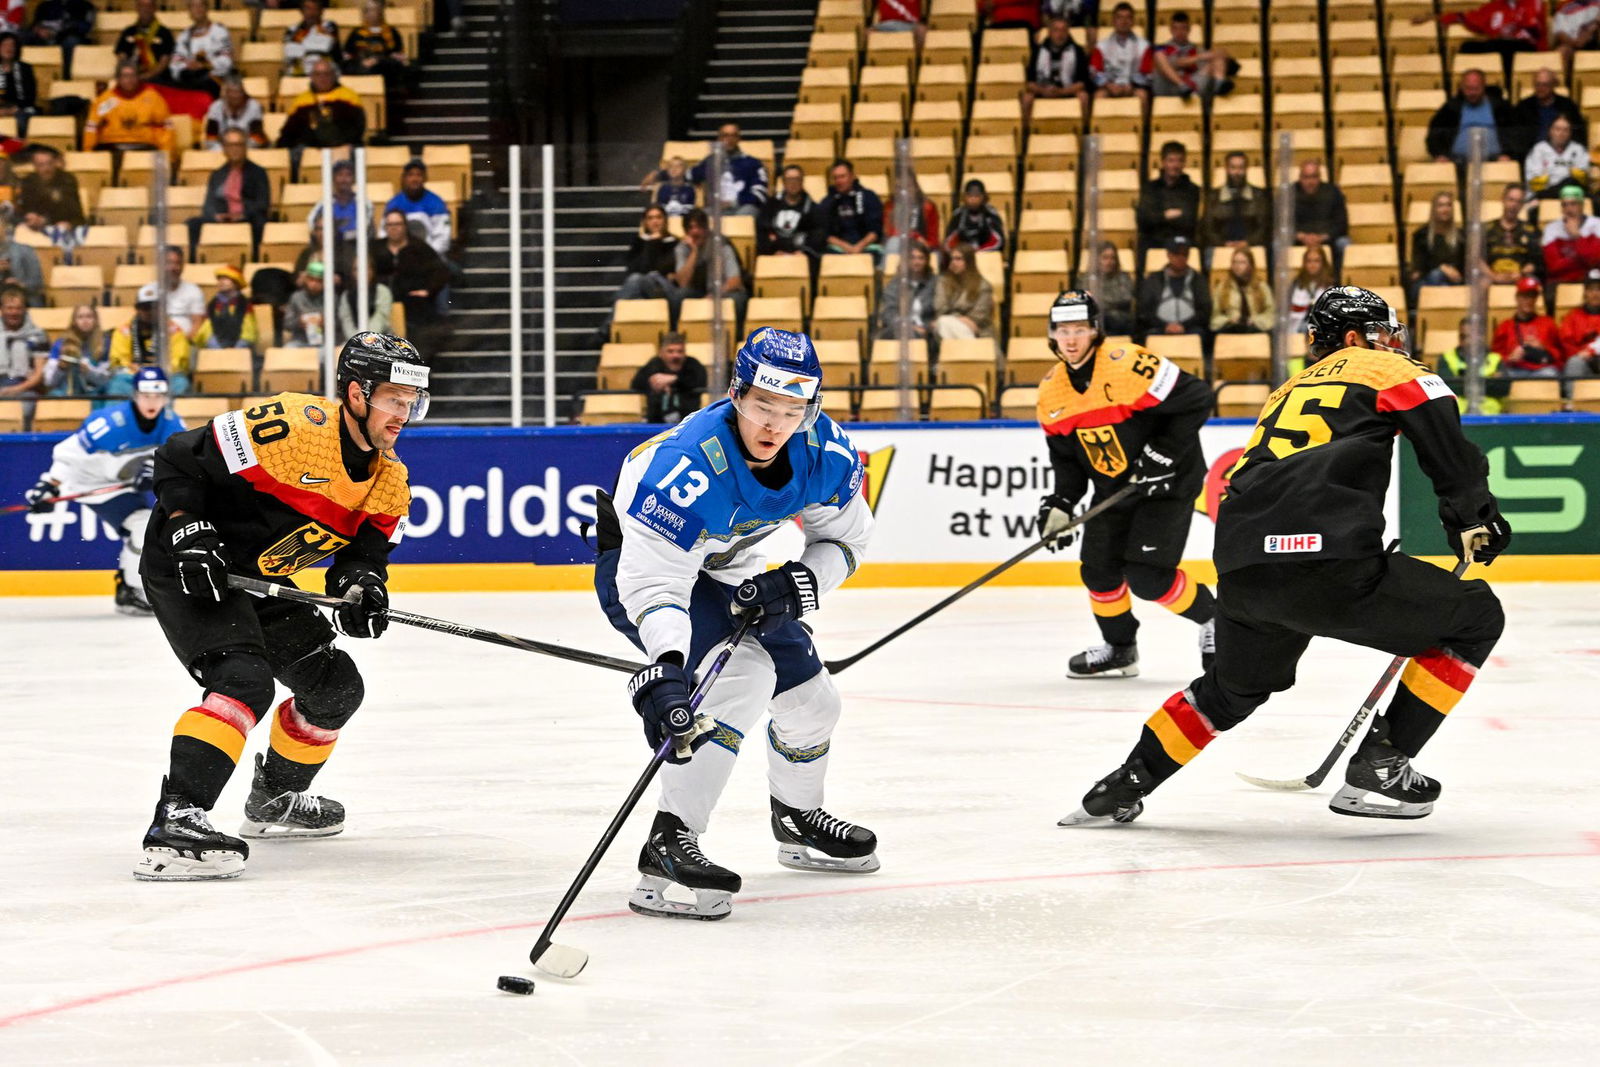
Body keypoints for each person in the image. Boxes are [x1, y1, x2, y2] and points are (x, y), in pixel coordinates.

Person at [1059, 285, 1509, 827]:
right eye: (1383, 333)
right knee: (1476, 618)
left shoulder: (1287, 389)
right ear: (1352, 338)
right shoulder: (1387, 370)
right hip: (1333, 564)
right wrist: (1471, 515)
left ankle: (1125, 782)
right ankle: (1385, 758)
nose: (1392, 343)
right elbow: (1445, 438)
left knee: (1228, 691)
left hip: (1245, 571)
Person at [593, 327, 877, 920]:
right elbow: (656, 584)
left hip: (729, 571)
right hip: (643, 573)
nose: (775, 425)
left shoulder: (824, 451)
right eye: (761, 406)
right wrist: (668, 668)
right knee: (741, 679)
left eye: (792, 409)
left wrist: (796, 583)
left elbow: (846, 539)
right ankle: (669, 842)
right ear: (735, 394)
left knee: (813, 703)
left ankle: (797, 818)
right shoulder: (683, 467)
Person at [131, 332, 427, 881]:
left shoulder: (389, 484)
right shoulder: (292, 428)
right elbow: (177, 458)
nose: (403, 415)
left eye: (412, 403)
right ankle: (178, 820)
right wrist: (188, 528)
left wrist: (362, 589)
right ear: (357, 394)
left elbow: (363, 558)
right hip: (194, 567)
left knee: (336, 686)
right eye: (394, 399)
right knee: (243, 679)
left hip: (262, 580)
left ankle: (274, 800)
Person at [1034, 289, 1216, 680]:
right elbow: (1067, 462)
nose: (1070, 339)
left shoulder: (1128, 363)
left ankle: (1217, 621)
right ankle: (1120, 649)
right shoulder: (1050, 392)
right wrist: (1061, 501)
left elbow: (1198, 396)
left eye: (1079, 329)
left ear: (1095, 331)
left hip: (1167, 482)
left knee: (1149, 576)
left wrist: (1161, 455)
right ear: (1052, 335)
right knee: (1098, 572)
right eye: (1062, 330)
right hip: (1113, 487)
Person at [24, 366, 186, 616]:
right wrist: (50, 486)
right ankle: (131, 590)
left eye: (157, 395)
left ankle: (128, 585)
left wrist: (154, 473)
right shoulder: (110, 423)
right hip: (90, 484)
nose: (151, 401)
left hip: (121, 484)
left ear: (166, 396)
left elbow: (178, 461)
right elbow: (69, 454)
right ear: (134, 395)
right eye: (145, 395)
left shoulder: (172, 423)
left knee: (146, 528)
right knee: (143, 527)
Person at [188, 128, 271, 258]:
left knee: (260, 222)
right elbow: (208, 204)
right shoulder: (217, 174)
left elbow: (262, 204)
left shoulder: (258, 173)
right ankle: (195, 261)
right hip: (222, 218)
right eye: (230, 145)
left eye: (238, 145)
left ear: (245, 147)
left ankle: (254, 259)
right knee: (192, 223)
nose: (235, 149)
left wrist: (241, 215)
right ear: (224, 149)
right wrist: (216, 216)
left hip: (247, 218)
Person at [1421, 0, 1547, 84]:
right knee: (1468, 47)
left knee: (1503, 47)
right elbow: (1471, 17)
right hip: (1498, 44)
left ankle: (1508, 85)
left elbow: (1534, 31)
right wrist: (1439, 17)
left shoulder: (1533, 2)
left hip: (1528, 48)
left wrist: (1511, 36)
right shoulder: (1495, 6)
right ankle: (1471, 87)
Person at [375, 209, 449, 343]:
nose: (394, 228)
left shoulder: (419, 248)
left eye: (397, 224)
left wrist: (428, 291)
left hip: (413, 303)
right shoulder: (376, 248)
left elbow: (440, 271)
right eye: (390, 225)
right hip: (379, 301)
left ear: (405, 226)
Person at [108, 282, 192, 396]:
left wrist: (158, 372)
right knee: (118, 384)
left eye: (153, 308)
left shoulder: (174, 331)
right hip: (133, 377)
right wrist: (138, 372)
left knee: (181, 383)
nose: (149, 312)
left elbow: (179, 361)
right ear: (137, 309)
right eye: (145, 308)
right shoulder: (123, 331)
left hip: (165, 378)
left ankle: (169, 414)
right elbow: (119, 361)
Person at [671, 206, 746, 329]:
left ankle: (735, 337)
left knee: (738, 299)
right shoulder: (682, 248)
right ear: (685, 231)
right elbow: (683, 282)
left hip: (724, 290)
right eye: (690, 228)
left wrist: (716, 294)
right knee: (679, 295)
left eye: (699, 227)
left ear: (706, 228)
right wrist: (694, 252)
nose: (695, 232)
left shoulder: (721, 244)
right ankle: (678, 335)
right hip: (699, 291)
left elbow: (735, 281)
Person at [83, 60, 173, 155]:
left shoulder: (153, 98)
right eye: (125, 76)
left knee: (160, 166)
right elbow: (92, 127)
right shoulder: (107, 100)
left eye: (133, 75)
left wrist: (167, 157)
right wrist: (88, 154)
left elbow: (166, 129)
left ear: (138, 77)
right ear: (118, 78)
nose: (129, 80)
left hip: (146, 149)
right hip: (112, 149)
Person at [1426, 69, 1515, 165]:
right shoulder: (1451, 108)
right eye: (1468, 89)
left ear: (1484, 86)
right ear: (1461, 87)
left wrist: (1508, 154)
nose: (1472, 93)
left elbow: (1515, 133)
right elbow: (1434, 135)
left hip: (1496, 162)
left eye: (1476, 89)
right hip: (1456, 162)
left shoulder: (1501, 107)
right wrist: (1440, 154)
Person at [277, 57, 366, 149]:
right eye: (317, 74)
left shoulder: (349, 97)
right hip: (308, 150)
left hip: (341, 147)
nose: (322, 78)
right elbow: (289, 131)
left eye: (326, 74)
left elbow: (357, 128)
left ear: (334, 75)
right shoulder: (301, 100)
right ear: (311, 77)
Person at [1142, 10, 1233, 100]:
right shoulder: (1162, 48)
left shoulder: (1197, 49)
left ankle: (1219, 84)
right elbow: (1176, 63)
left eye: (1183, 28)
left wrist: (1219, 54)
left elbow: (1214, 60)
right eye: (1175, 28)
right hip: (1168, 87)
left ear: (1189, 29)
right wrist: (1200, 57)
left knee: (1217, 57)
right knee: (1158, 55)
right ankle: (1182, 86)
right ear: (1171, 30)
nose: (1179, 32)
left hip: (1193, 85)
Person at [17, 143, 87, 255]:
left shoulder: (67, 180)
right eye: (41, 165)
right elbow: (25, 208)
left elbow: (70, 211)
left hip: (66, 224)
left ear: (55, 163)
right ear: (34, 166)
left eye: (49, 163)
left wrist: (45, 220)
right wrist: (30, 216)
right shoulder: (28, 181)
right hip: (36, 229)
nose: (46, 168)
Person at [687, 123, 768, 218]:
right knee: (699, 218)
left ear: (739, 139)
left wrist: (733, 203)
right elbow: (689, 176)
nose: (729, 139)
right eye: (725, 135)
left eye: (733, 136)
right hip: (716, 209)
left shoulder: (753, 163)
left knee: (745, 215)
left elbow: (760, 195)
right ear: (719, 139)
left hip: (742, 207)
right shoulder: (711, 161)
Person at [1136, 141, 1201, 255]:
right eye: (1171, 160)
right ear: (1163, 162)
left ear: (1184, 163)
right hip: (1154, 242)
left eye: (1179, 160)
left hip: (1181, 241)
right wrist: (1165, 216)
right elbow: (1143, 220)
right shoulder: (1150, 188)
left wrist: (1159, 217)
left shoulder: (1192, 189)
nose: (1175, 165)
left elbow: (1189, 220)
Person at [1508, 66, 1586, 161]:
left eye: (1545, 85)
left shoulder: (1567, 105)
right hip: (1532, 157)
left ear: (1553, 85)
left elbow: (1578, 134)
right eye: (1537, 84)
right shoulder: (1523, 107)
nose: (1541, 88)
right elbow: (1516, 138)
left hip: (1564, 156)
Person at [1491, 274, 1563, 376]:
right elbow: (1494, 358)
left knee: (1549, 374)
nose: (1529, 300)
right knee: (1501, 375)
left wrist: (1543, 348)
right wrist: (1510, 358)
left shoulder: (1548, 323)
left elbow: (1560, 355)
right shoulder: (1505, 326)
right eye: (1525, 296)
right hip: (1514, 369)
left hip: (1541, 370)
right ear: (1517, 298)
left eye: (1532, 296)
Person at [1136, 235, 1208, 337]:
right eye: (1176, 254)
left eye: (1184, 254)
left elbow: (1205, 311)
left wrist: (1184, 326)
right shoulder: (1153, 279)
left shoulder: (1198, 279)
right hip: (1159, 329)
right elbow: (1144, 310)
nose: (1180, 258)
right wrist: (1164, 326)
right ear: (1168, 255)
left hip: (1190, 329)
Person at [1022, 15, 1089, 122]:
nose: (1060, 34)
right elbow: (1030, 83)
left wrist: (1062, 92)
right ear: (1049, 32)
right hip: (1043, 90)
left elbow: (1082, 83)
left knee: (1084, 96)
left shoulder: (1077, 51)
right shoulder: (1038, 51)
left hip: (1067, 91)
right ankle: (1026, 135)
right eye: (1056, 30)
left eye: (1063, 30)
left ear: (1068, 32)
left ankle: (1084, 131)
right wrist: (1043, 91)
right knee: (1027, 98)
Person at [1199, 151, 1270, 252]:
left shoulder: (1259, 195)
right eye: (1233, 167)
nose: (1237, 172)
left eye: (1241, 168)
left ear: (1246, 169)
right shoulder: (1213, 196)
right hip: (1220, 248)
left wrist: (1248, 242)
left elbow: (1264, 228)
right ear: (1226, 169)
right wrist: (1223, 243)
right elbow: (1208, 228)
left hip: (1252, 248)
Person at [629, 330, 706, 424]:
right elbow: (636, 384)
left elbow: (701, 381)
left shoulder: (692, 364)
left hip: (688, 424)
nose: (676, 355)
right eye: (670, 351)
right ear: (661, 353)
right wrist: (653, 381)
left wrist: (675, 379)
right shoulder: (654, 364)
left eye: (680, 351)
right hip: (656, 424)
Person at [613, 204, 681, 303]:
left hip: (666, 288)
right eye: (650, 218)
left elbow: (663, 269)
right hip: (642, 286)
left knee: (636, 280)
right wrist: (652, 243)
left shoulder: (674, 242)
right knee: (635, 287)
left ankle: (614, 311)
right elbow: (633, 269)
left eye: (658, 217)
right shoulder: (639, 241)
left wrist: (654, 243)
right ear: (645, 222)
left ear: (665, 220)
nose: (655, 221)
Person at [756, 164, 823, 262]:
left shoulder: (813, 208)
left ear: (802, 181)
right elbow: (762, 232)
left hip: (802, 259)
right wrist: (773, 252)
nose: (793, 183)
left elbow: (817, 235)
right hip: (774, 257)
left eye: (796, 179)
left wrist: (803, 253)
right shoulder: (770, 205)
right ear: (783, 182)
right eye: (789, 179)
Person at [384, 158, 450, 256]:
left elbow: (442, 240)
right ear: (404, 178)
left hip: (429, 258)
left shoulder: (437, 203)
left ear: (425, 178)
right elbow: (384, 235)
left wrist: (424, 256)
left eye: (419, 175)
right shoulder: (393, 204)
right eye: (410, 175)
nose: (414, 179)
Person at [1408, 191, 1467, 300]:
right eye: (1441, 205)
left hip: (1454, 283)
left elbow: (1464, 266)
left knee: (1446, 285)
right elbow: (1419, 268)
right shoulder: (1421, 235)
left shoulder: (1461, 236)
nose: (1445, 209)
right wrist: (1442, 268)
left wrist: (1456, 274)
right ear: (1434, 209)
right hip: (1425, 283)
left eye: (1448, 205)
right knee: (1437, 275)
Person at [875, 239, 937, 343]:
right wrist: (910, 327)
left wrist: (927, 327)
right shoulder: (895, 284)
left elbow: (941, 309)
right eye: (912, 258)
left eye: (921, 258)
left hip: (928, 332)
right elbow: (888, 313)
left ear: (926, 261)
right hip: (899, 329)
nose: (916, 262)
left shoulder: (935, 283)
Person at [819, 159, 883, 259]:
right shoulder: (828, 202)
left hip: (866, 247)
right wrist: (847, 248)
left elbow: (875, 231)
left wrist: (858, 247)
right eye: (836, 178)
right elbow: (825, 234)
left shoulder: (869, 197)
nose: (839, 181)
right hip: (838, 249)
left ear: (852, 176)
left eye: (842, 177)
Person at [166, 0, 233, 96]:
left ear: (206, 8)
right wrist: (187, 65)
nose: (197, 9)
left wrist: (205, 65)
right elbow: (175, 64)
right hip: (190, 80)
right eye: (193, 6)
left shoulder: (219, 31)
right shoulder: (184, 36)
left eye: (200, 5)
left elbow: (227, 61)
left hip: (213, 80)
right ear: (189, 11)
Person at [42, 303, 110, 396]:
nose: (85, 321)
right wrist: (60, 368)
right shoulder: (61, 343)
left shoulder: (104, 343)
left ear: (95, 320)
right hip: (65, 390)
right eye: (80, 317)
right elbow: (48, 381)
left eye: (89, 317)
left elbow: (107, 382)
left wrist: (88, 372)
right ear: (74, 321)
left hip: (94, 392)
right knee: (54, 395)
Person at [0, 284, 49, 413]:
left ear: (25, 310)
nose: (13, 312)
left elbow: (39, 374)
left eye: (18, 308)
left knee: (25, 407)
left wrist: (14, 389)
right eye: (9, 308)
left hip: (24, 386)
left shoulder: (38, 335)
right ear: (2, 310)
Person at [933, 241, 995, 342]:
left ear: (969, 262)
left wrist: (955, 320)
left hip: (978, 330)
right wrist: (959, 320)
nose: (953, 262)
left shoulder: (983, 285)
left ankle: (965, 353)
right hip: (950, 325)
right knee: (943, 323)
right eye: (952, 259)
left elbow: (979, 316)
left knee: (943, 324)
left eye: (958, 259)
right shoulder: (943, 283)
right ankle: (970, 352)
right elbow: (940, 308)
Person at [1089, 1, 1149, 104]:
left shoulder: (1144, 45)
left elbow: (1148, 74)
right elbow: (1094, 72)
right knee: (1099, 96)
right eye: (1119, 17)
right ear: (1113, 21)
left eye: (1128, 18)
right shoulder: (1101, 46)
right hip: (1109, 87)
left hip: (1133, 87)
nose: (1123, 21)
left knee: (1142, 95)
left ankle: (1143, 121)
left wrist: (1131, 85)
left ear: (1132, 21)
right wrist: (1109, 85)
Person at [1541, 183, 1600, 282]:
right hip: (1561, 282)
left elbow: (1595, 260)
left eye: (1573, 204)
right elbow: (1553, 267)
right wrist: (1581, 261)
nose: (1568, 209)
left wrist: (1577, 236)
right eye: (1564, 205)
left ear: (1582, 205)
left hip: (1592, 282)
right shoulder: (1551, 228)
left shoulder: (1597, 224)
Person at [1482, 182, 1541, 282]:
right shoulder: (1486, 229)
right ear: (1503, 200)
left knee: (1533, 284)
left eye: (1518, 201)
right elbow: (1476, 259)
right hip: (1491, 276)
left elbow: (1535, 262)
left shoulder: (1531, 231)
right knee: (1480, 284)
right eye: (1511, 200)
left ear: (1522, 205)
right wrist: (1493, 276)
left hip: (1520, 277)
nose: (1514, 205)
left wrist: (1521, 273)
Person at [193, 265, 259, 351]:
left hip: (239, 348)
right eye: (219, 279)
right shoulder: (213, 305)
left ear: (236, 282)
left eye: (226, 278)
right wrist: (214, 345)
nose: (221, 281)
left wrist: (238, 347)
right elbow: (207, 329)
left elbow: (249, 330)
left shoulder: (245, 304)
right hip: (215, 348)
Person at [1292, 160, 1350, 256]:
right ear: (1300, 178)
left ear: (1319, 177)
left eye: (1314, 177)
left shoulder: (1333, 192)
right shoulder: (1288, 194)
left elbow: (1341, 224)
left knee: (1344, 243)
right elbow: (1280, 225)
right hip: (1298, 239)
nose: (1310, 182)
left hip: (1326, 238)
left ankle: (1339, 271)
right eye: (1306, 177)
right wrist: (1301, 236)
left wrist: (1322, 237)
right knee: (1276, 245)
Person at [1524, 114, 1589, 199]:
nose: (1561, 133)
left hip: (1572, 194)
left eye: (1565, 130)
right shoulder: (1538, 149)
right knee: (1569, 181)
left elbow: (1583, 178)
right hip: (1544, 194)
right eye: (1557, 129)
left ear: (1570, 133)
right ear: (1550, 131)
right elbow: (1533, 182)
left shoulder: (1578, 149)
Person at [1211, 247, 1273, 334]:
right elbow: (1215, 317)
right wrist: (1228, 320)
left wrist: (1255, 320)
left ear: (1251, 265)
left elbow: (1270, 313)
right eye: (1234, 262)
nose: (1237, 266)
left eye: (1242, 262)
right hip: (1230, 329)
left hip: (1256, 328)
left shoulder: (1262, 287)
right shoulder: (1222, 287)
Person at [203, 74, 268, 149]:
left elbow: (257, 137)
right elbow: (211, 138)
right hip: (221, 148)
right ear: (225, 94)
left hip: (248, 147)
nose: (235, 96)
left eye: (238, 92)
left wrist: (238, 150)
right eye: (231, 92)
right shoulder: (215, 107)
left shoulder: (254, 106)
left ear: (243, 93)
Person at [114, 0, 174, 82]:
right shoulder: (128, 32)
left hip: (158, 80)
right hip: (131, 80)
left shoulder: (164, 33)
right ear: (137, 8)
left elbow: (164, 62)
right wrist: (131, 76)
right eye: (142, 6)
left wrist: (146, 76)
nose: (145, 9)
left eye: (149, 6)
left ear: (154, 8)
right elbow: (122, 58)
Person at [943, 178, 1006, 253]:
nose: (973, 199)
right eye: (970, 196)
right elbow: (949, 242)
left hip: (986, 254)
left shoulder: (990, 214)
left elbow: (999, 241)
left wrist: (979, 252)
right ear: (964, 197)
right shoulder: (958, 215)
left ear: (983, 197)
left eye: (977, 196)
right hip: (963, 255)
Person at [306, 158, 361, 243]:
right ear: (333, 179)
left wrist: (341, 236)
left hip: (355, 247)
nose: (344, 179)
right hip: (329, 246)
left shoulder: (363, 204)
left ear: (354, 179)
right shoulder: (324, 204)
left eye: (348, 175)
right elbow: (311, 223)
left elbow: (366, 230)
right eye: (340, 175)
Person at [1558, 267, 1600, 376]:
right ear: (1585, 292)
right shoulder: (1572, 317)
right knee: (1575, 362)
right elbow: (1566, 345)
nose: (1595, 294)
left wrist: (1592, 352)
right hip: (1583, 362)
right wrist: (1582, 353)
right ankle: (1572, 393)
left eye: (1599, 289)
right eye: (1591, 289)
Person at [1286, 243, 1335, 336]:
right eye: (1309, 261)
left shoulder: (1330, 286)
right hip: (1296, 329)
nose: (1312, 265)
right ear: (1304, 263)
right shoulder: (1296, 285)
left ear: (1323, 263)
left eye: (1316, 261)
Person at [283, 0, 339, 76]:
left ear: (321, 11)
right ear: (302, 11)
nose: (312, 13)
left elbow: (325, 46)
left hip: (325, 72)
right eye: (308, 8)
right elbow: (290, 51)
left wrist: (302, 46)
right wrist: (314, 43)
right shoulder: (293, 29)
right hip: (299, 73)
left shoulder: (329, 26)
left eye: (316, 9)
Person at [161, 247, 207, 338]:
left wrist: (184, 343)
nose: (173, 268)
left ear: (182, 266)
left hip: (186, 344)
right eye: (169, 263)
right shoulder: (150, 291)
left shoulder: (194, 291)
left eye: (177, 263)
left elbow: (198, 323)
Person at [1092, 241, 1135, 335]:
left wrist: (1101, 303)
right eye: (1105, 258)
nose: (1109, 262)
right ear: (1097, 260)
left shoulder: (1124, 277)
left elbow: (1126, 298)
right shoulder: (1088, 279)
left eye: (1113, 258)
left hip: (1120, 323)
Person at [283, 259, 329, 346]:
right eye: (311, 280)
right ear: (306, 279)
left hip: (326, 342)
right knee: (288, 349)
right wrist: (299, 322)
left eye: (319, 281)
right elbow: (287, 324)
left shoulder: (331, 299)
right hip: (301, 341)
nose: (314, 284)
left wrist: (325, 322)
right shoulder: (296, 297)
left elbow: (340, 324)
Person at [0, 216, 45, 304]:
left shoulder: (25, 251)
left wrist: (20, 284)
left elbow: (37, 282)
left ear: (4, 228)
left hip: (24, 301)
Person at [0, 30, 37, 135]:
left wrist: (13, 110)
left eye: (12, 45)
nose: (9, 48)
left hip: (20, 109)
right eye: (5, 45)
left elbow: (30, 97)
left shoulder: (25, 68)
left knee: (22, 119)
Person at [1553, 0, 1600, 66]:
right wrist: (1575, 43)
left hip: (1594, 42)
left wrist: (1588, 32)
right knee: (1563, 50)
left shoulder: (1598, 4)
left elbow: (1597, 23)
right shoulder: (1563, 10)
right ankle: (1567, 76)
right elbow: (1560, 33)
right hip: (1572, 44)